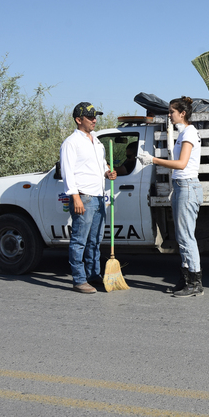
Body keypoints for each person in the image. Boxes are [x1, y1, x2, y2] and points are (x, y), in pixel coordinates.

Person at [137, 96, 204, 297]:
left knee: (186, 236)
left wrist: (153, 160)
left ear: (182, 113)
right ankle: (186, 278)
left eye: (172, 112)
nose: (169, 115)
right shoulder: (184, 133)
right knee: (182, 236)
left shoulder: (189, 133)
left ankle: (195, 282)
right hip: (181, 186)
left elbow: (181, 164)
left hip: (187, 186)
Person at [61, 102, 117, 294]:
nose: (94, 120)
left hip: (99, 196)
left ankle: (93, 275)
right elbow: (67, 172)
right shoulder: (71, 143)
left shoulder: (97, 141)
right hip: (84, 197)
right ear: (79, 120)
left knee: (95, 240)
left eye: (95, 116)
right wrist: (75, 197)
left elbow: (101, 165)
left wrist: (108, 173)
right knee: (79, 241)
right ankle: (79, 279)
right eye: (90, 117)